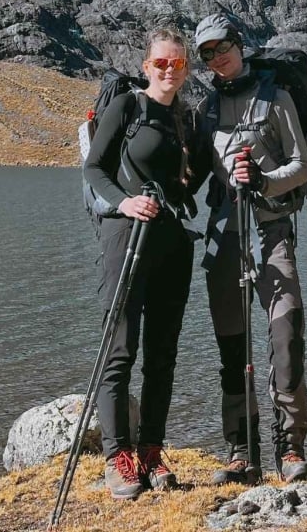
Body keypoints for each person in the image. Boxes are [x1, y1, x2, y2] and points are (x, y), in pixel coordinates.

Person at [81, 28, 208, 500]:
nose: (169, 70)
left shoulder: (187, 120)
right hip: (126, 237)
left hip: (172, 242)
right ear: (146, 66)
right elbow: (95, 167)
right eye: (161, 63)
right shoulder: (127, 107)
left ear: (186, 68)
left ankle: (151, 450)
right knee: (120, 349)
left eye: (178, 63)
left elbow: (192, 179)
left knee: (162, 354)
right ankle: (118, 456)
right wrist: (125, 202)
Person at [193, 13, 307, 485]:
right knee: (232, 344)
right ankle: (241, 450)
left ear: (239, 44)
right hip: (224, 235)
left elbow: (301, 165)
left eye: (222, 46)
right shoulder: (206, 110)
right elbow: (195, 172)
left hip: (270, 231)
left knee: (286, 335)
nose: (217, 57)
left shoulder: (276, 98)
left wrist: (263, 181)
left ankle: (290, 446)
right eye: (207, 53)